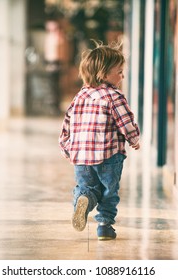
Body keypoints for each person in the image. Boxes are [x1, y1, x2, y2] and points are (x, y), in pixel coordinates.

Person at [58, 40, 140, 240]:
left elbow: (67, 123)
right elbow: (125, 121)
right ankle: (104, 226)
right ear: (104, 74)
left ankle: (83, 200)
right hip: (109, 156)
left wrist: (66, 147)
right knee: (109, 192)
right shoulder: (114, 96)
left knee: (87, 187)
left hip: (81, 157)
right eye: (119, 71)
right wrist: (133, 138)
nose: (122, 75)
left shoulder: (80, 96)